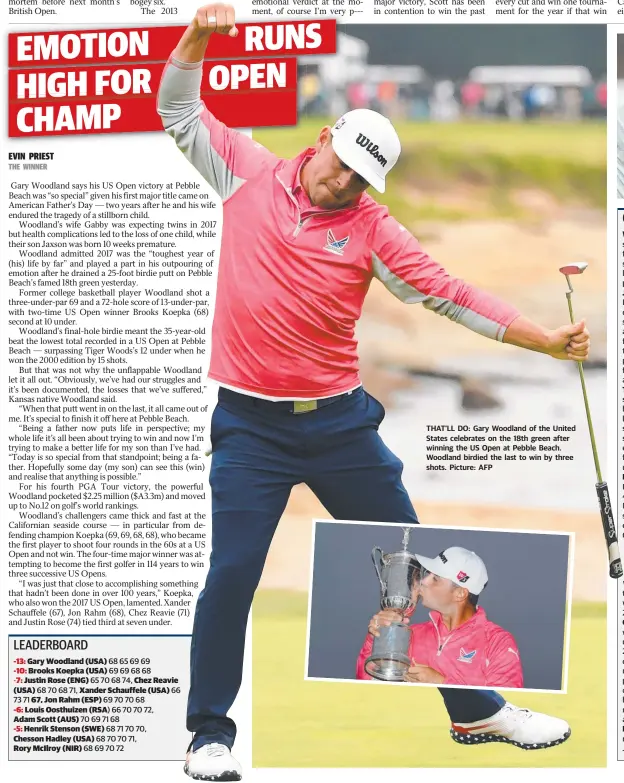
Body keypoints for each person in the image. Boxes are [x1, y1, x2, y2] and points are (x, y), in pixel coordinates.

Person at [157, 6, 584, 779]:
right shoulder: (244, 171)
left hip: (341, 426)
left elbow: (449, 293)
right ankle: (208, 732)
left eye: (360, 178)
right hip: (249, 426)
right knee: (233, 569)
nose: (343, 183)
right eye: (341, 165)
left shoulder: (374, 227)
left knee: (418, 569)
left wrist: (544, 339)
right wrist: (199, 38)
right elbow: (178, 106)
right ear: (320, 140)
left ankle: (478, 711)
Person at [357, 547, 524, 689]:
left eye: (435, 579)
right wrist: (377, 639)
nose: (423, 581)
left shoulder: (498, 642)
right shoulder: (410, 633)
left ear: (460, 593)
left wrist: (442, 683)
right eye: (428, 574)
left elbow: (506, 707)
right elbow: (368, 686)